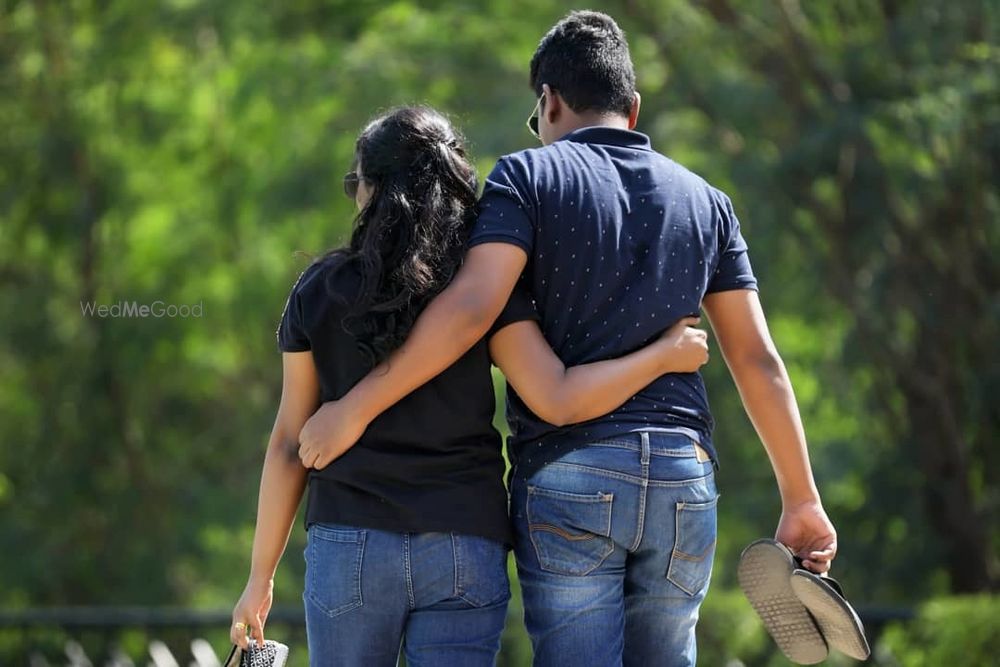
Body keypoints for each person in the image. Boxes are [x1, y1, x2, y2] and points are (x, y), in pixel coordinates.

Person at [298, 11, 840, 667]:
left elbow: (471, 308)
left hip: (572, 471)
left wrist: (355, 406)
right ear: (632, 108)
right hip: (682, 470)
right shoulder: (708, 202)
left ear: (549, 101)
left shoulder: (526, 179)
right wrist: (802, 498)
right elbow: (757, 360)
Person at [229, 105, 713, 667]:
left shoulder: (320, 290)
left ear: (372, 190)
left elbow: (290, 441)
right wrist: (662, 355)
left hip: (351, 539)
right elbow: (555, 396)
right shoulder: (484, 294)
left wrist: (259, 578)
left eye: (353, 183)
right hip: (465, 542)